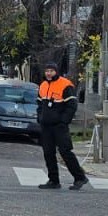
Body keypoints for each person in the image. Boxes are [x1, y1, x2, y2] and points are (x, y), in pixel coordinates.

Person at [37, 62, 89, 191]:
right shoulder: (43, 85)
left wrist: (63, 121)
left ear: (56, 72)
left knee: (65, 152)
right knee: (48, 153)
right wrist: (40, 117)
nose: (48, 73)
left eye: (51, 71)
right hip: (46, 126)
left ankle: (80, 177)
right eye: (47, 71)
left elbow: (72, 105)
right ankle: (53, 181)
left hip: (59, 126)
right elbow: (39, 104)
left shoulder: (65, 84)